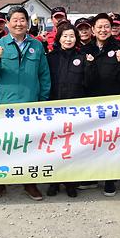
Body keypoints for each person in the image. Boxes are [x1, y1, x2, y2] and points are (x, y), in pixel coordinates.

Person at [0, 6, 50, 201]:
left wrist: (43, 101)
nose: (19, 23)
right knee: (3, 145)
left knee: (29, 145)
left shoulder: (37, 45)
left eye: (22, 20)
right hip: (5, 106)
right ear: (7, 23)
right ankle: (0, 182)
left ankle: (29, 182)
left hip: (31, 106)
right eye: (15, 20)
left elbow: (44, 75)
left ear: (28, 23)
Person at [85, 13, 120, 196]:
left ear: (112, 29)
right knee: (94, 141)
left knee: (112, 142)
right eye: (99, 27)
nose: (103, 30)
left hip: (114, 104)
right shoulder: (86, 49)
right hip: (92, 104)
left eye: (106, 26)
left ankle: (110, 179)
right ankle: (92, 175)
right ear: (93, 30)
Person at [45, 21, 95, 198]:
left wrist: (89, 66)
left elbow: (89, 84)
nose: (68, 39)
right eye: (65, 36)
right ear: (58, 38)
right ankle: (54, 181)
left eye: (71, 36)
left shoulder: (83, 57)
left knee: (72, 147)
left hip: (75, 111)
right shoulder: (50, 58)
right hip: (54, 109)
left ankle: (71, 182)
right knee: (54, 146)